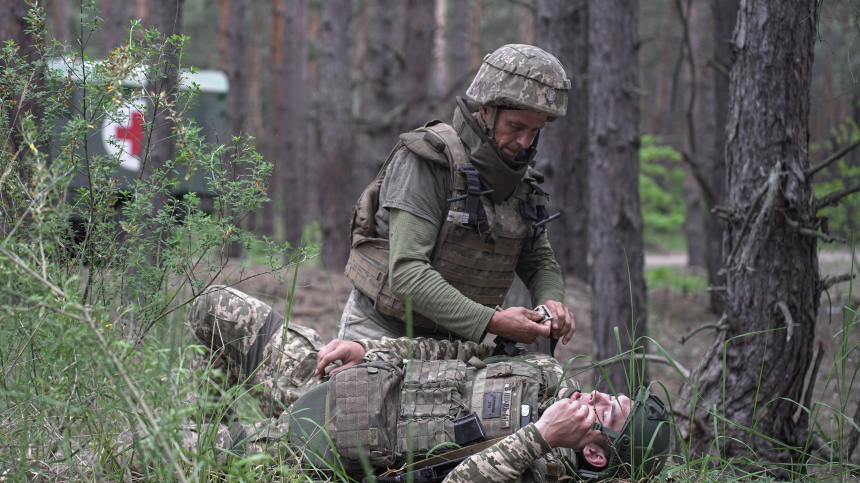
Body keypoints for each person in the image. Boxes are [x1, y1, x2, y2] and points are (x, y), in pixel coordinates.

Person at [175, 285, 670, 482]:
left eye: (607, 411)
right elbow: (455, 352)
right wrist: (372, 351)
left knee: (161, 455)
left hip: (324, 446)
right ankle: (210, 418)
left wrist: (539, 437)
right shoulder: (546, 374)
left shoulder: (540, 471)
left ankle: (210, 442)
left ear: (597, 456)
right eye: (611, 393)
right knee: (215, 308)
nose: (597, 394)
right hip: (345, 379)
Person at [340, 44, 576, 349]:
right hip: (379, 334)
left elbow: (538, 260)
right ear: (487, 110)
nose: (524, 142)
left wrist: (551, 303)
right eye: (515, 126)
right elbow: (408, 273)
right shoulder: (428, 161)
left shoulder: (521, 183)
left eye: (535, 131)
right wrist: (492, 321)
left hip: (459, 345)